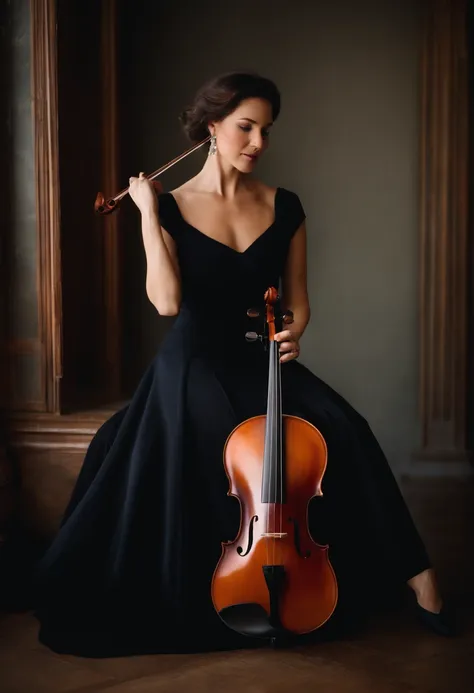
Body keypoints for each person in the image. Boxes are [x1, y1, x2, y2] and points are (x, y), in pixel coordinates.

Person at [33, 71, 452, 657]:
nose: (258, 141)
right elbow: (168, 303)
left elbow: (298, 301)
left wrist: (295, 331)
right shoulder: (171, 206)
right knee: (222, 433)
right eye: (245, 127)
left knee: (345, 427)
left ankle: (420, 578)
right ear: (212, 127)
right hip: (192, 361)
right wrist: (149, 217)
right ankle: (235, 586)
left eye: (266, 130)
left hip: (261, 358)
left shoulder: (285, 206)